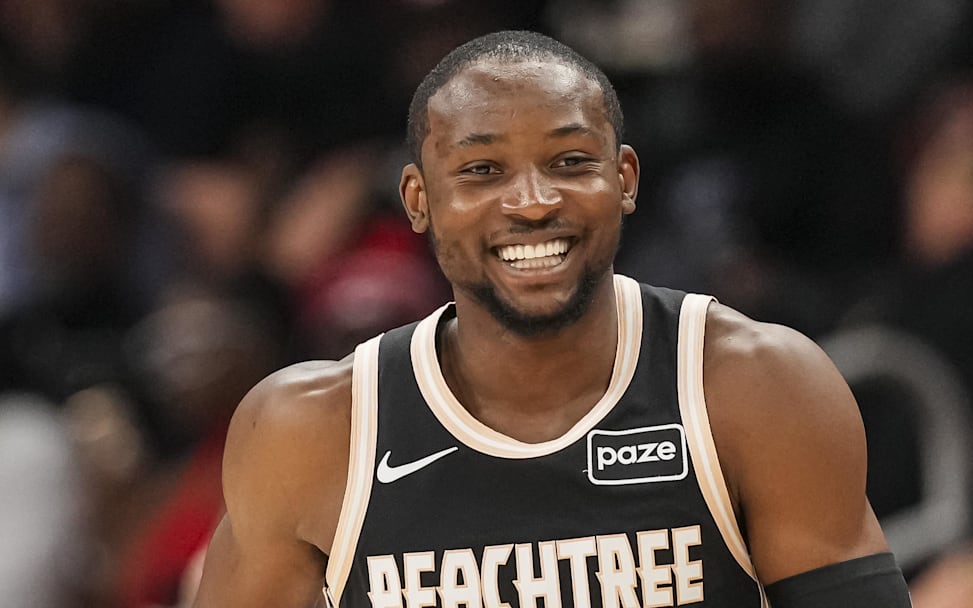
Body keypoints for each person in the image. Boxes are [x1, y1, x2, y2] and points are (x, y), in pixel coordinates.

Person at [192, 30, 911, 607]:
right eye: (482, 171)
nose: (533, 201)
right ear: (417, 199)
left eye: (570, 161)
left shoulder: (756, 386)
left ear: (623, 179)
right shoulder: (312, 430)